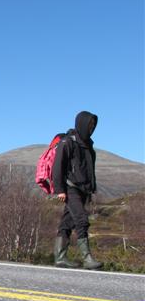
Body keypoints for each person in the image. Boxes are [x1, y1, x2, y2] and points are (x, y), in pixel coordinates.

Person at [52, 111, 102, 269]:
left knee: (67, 223)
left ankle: (60, 257)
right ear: (82, 124)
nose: (91, 128)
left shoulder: (88, 145)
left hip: (83, 190)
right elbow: (57, 167)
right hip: (70, 188)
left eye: (93, 125)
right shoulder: (67, 142)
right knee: (82, 220)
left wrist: (91, 189)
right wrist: (60, 189)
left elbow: (90, 170)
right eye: (89, 125)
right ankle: (87, 259)